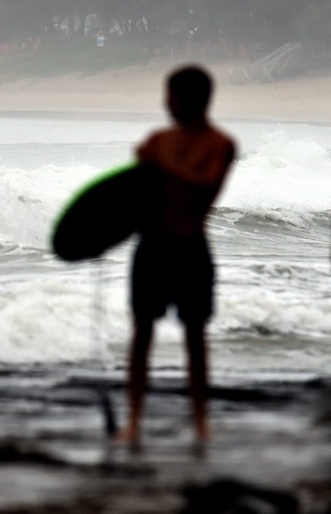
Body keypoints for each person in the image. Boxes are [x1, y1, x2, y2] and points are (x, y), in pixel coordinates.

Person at [116, 65, 236, 447]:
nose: (165, 103)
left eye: (170, 95)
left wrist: (161, 163)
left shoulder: (220, 145)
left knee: (195, 337)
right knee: (141, 335)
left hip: (190, 247)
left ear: (190, 98)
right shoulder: (158, 139)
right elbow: (138, 194)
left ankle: (201, 422)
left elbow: (206, 186)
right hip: (151, 247)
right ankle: (133, 420)